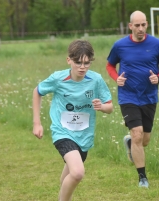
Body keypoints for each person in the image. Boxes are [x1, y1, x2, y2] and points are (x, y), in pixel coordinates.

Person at [32, 39, 113, 201]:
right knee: (77, 173)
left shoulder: (96, 80)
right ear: (69, 60)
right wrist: (37, 123)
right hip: (62, 132)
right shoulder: (58, 78)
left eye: (86, 63)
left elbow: (110, 107)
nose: (82, 67)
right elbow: (37, 91)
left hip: (84, 135)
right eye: (78, 63)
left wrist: (101, 107)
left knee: (67, 178)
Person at [106, 10, 159, 188]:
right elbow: (110, 65)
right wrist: (116, 78)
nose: (141, 29)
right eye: (137, 25)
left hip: (149, 97)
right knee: (137, 134)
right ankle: (142, 177)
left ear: (147, 24)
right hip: (128, 96)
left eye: (143, 25)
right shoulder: (120, 46)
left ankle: (129, 143)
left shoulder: (157, 44)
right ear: (130, 26)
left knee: (145, 140)